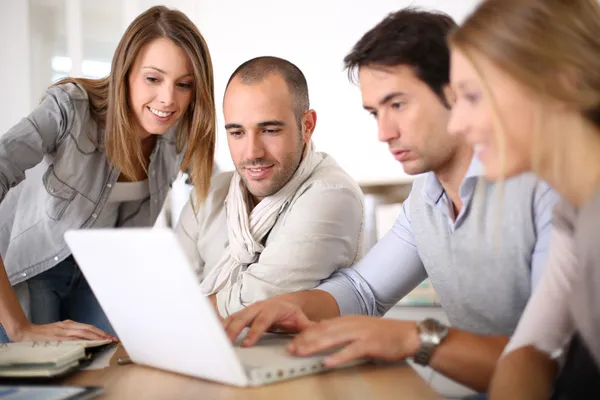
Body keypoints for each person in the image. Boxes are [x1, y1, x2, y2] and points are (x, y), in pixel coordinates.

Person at [222, 9, 557, 394]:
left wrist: (416, 337)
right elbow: (365, 289)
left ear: (456, 90)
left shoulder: (544, 187)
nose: (384, 132)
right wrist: (293, 305)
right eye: (374, 112)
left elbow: (548, 366)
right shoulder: (426, 197)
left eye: (397, 105)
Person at [0, 5, 216, 343]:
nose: (168, 99)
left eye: (184, 85)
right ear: (124, 71)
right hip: (32, 272)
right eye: (153, 78)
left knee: (117, 368)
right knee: (44, 388)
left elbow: (216, 191)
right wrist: (18, 327)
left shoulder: (179, 134)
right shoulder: (68, 109)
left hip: (101, 281)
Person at [447, 0, 600, 399]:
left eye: (474, 96)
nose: (456, 124)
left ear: (562, 84)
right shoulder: (574, 209)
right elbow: (532, 347)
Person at [175, 56, 364, 319]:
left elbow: (255, 301)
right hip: (207, 356)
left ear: (307, 126)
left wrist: (171, 314)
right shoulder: (209, 194)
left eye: (270, 130)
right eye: (237, 133)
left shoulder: (332, 193)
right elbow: (169, 288)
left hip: (299, 359)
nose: (252, 152)